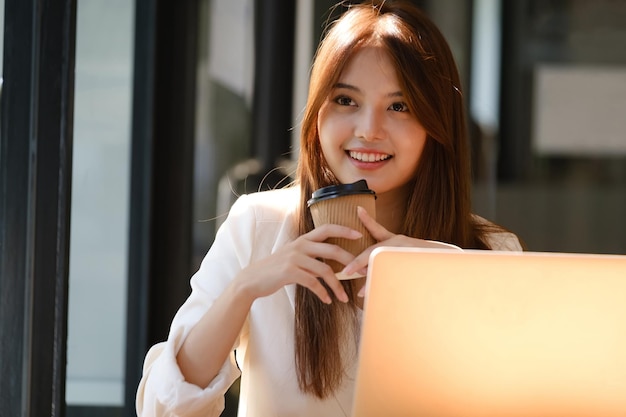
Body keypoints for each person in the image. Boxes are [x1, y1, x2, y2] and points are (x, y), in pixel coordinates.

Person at [136, 1, 523, 416]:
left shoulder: (490, 253)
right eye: (345, 100)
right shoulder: (258, 226)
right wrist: (245, 288)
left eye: (400, 106)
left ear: (437, 125)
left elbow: (521, 400)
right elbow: (162, 408)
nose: (369, 130)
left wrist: (445, 279)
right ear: (317, 112)